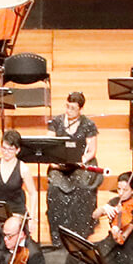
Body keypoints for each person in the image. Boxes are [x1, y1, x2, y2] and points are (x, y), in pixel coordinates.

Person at [45, 91, 103, 243]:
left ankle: (80, 232)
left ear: (80, 109)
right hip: (59, 164)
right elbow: (48, 146)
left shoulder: (88, 125)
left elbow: (91, 151)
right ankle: (58, 233)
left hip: (80, 164)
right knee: (55, 189)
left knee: (81, 187)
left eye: (73, 108)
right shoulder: (56, 122)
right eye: (67, 106)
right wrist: (55, 162)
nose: (69, 111)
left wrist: (79, 160)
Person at [0, 130, 37, 250]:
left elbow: (33, 193)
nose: (6, 152)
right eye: (4, 148)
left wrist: (32, 219)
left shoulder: (23, 168)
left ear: (17, 150)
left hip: (16, 210)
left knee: (12, 232)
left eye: (10, 149)